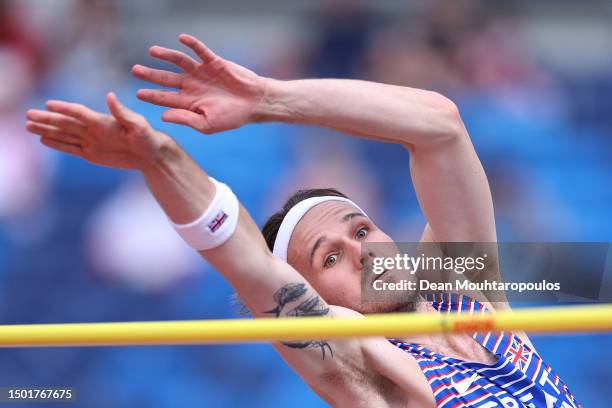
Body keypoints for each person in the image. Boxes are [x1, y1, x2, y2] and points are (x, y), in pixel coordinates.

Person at [26, 34, 580, 408]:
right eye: (330, 257)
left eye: (361, 231)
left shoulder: (472, 296)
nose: (364, 253)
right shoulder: (367, 368)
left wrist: (270, 98)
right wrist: (161, 159)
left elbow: (441, 126)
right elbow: (247, 264)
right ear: (316, 298)